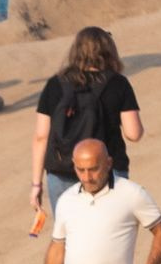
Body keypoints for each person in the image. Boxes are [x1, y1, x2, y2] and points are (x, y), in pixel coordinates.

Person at [30, 26, 144, 216]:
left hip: (62, 171)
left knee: (68, 231)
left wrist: (36, 184)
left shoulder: (55, 84)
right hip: (107, 171)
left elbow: (41, 137)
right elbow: (134, 134)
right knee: (108, 229)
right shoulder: (118, 83)